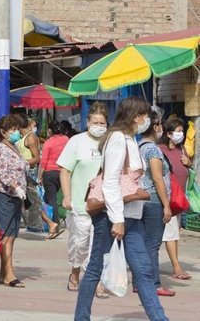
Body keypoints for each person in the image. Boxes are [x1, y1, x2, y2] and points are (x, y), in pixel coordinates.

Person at [74, 97, 168, 321]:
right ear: (136, 117)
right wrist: (117, 220)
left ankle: (159, 318)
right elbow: (111, 182)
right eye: (145, 115)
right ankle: (81, 317)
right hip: (112, 217)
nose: (147, 120)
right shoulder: (117, 138)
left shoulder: (129, 139)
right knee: (96, 268)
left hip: (131, 216)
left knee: (144, 270)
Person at [57, 101, 109, 296]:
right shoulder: (76, 141)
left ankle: (95, 281)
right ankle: (75, 272)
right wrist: (67, 196)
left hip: (103, 205)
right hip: (80, 204)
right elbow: (65, 170)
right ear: (87, 122)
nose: (99, 126)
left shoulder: (111, 142)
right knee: (80, 244)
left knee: (98, 245)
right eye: (95, 122)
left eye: (102, 123)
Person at [138, 108, 175, 297]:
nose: (161, 128)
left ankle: (141, 281)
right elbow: (158, 178)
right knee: (152, 244)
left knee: (144, 244)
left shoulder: (140, 146)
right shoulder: (152, 149)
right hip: (153, 202)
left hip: (143, 201)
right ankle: (153, 283)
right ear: (154, 127)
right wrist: (166, 204)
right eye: (160, 124)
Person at [0, 114, 27, 288]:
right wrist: (16, 187)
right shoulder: (0, 149)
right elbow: (3, 174)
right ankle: (9, 275)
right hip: (5, 195)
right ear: (3, 132)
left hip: (17, 197)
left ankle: (3, 272)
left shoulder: (14, 147)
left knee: (11, 235)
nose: (16, 132)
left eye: (17, 129)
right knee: (7, 237)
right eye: (12, 130)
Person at [158, 118, 192, 281]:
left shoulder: (182, 149)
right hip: (164, 199)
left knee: (171, 233)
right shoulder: (159, 150)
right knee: (171, 234)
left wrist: (188, 162)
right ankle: (176, 267)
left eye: (182, 131)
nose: (181, 134)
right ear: (169, 133)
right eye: (178, 131)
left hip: (178, 200)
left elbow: (187, 168)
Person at [38, 121, 69, 239]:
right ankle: (55, 221)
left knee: (51, 200)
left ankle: (54, 225)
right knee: (56, 198)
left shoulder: (48, 143)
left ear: (50, 131)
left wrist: (39, 176)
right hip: (64, 172)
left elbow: (43, 162)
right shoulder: (66, 139)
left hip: (49, 173)